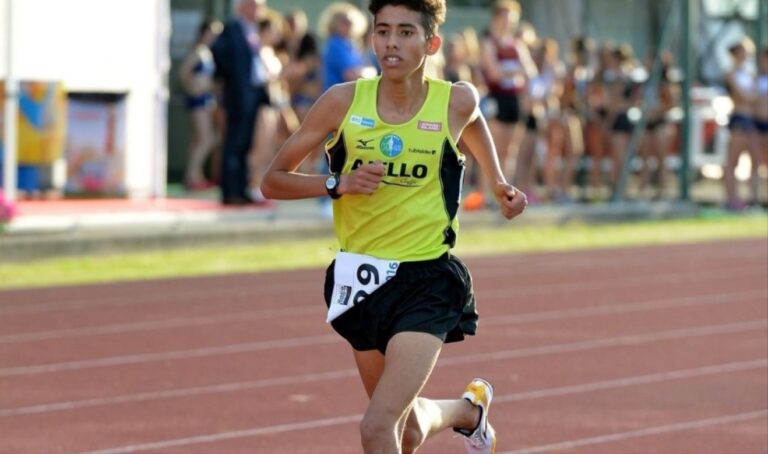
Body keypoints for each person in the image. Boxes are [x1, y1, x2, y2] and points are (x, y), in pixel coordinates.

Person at [262, 1, 526, 452]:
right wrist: (338, 183)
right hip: (357, 279)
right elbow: (272, 181)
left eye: (405, 32)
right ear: (372, 40)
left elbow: (474, 122)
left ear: (431, 43)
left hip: (427, 280)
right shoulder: (342, 102)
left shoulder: (455, 100)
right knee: (406, 429)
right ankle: (469, 414)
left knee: (376, 426)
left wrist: (498, 181)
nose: (391, 43)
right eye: (383, 31)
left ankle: (463, 415)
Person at [211, 0, 270, 205]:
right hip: (238, 97)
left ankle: (241, 189)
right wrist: (233, 80)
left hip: (252, 95)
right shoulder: (232, 29)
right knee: (234, 143)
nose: (259, 10)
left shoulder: (253, 31)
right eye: (255, 5)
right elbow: (219, 54)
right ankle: (230, 191)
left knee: (245, 144)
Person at [179, 19, 222, 191]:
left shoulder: (207, 52)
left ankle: (195, 175)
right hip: (198, 101)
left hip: (206, 99)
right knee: (206, 138)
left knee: (199, 139)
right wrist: (193, 88)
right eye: (212, 33)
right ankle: (191, 175)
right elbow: (184, 73)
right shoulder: (197, 51)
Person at [723, 38, 759, 211]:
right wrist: (753, 97)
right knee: (733, 161)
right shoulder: (731, 73)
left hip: (751, 120)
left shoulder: (749, 73)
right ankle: (732, 199)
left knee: (755, 160)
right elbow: (743, 96)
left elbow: (752, 97)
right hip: (739, 118)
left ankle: (753, 199)